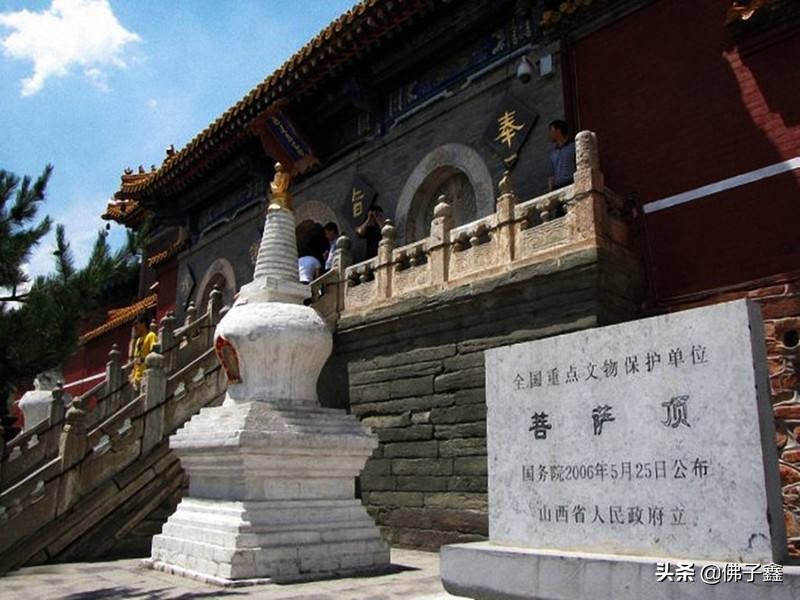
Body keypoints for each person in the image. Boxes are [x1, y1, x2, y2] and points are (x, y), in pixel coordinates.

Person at [130, 313, 158, 391]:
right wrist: (133, 375)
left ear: (143, 324)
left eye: (136, 324)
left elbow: (155, 353)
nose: (135, 327)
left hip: (147, 377)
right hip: (137, 381)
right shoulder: (138, 340)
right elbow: (136, 360)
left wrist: (141, 360)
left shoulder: (151, 336)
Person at [547, 119, 576, 191]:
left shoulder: (574, 147)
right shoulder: (552, 154)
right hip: (557, 188)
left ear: (558, 131)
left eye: (551, 130)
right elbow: (551, 175)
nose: (550, 134)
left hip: (572, 184)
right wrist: (550, 192)